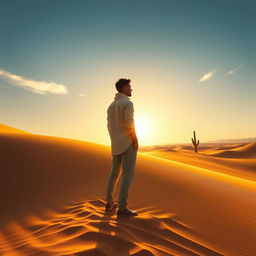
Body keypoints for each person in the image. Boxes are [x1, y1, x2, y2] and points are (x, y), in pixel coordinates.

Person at [105, 78, 138, 217]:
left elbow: (108, 126)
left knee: (114, 173)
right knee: (127, 175)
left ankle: (109, 203)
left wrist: (114, 139)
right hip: (127, 143)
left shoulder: (111, 106)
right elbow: (129, 123)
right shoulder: (127, 103)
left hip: (115, 144)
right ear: (124, 88)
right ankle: (122, 208)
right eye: (129, 87)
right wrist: (135, 139)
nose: (131, 89)